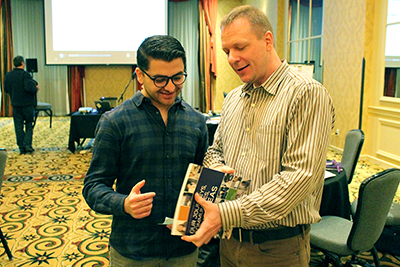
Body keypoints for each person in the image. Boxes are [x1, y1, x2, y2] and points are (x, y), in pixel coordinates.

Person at [182, 5, 335, 267]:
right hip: (230, 243)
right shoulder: (233, 99)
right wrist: (218, 169)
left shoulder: (306, 94)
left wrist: (227, 212)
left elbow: (298, 179)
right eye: (226, 51)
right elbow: (214, 151)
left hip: (277, 249)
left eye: (240, 48)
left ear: (267, 41)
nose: (231, 59)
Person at [82, 35, 209, 267]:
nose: (170, 87)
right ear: (140, 75)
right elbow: (93, 187)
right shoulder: (115, 122)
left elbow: (201, 180)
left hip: (183, 249)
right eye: (160, 79)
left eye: (178, 77)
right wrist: (123, 204)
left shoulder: (196, 121)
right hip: (133, 251)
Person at [4, 55, 39, 155]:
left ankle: (21, 147)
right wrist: (36, 88)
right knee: (29, 124)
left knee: (18, 126)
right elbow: (29, 88)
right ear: (23, 63)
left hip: (15, 104)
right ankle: (27, 145)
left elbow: (6, 89)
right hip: (27, 104)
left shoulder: (8, 75)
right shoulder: (26, 75)